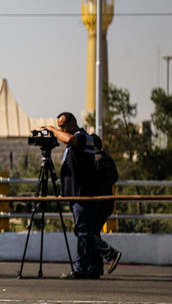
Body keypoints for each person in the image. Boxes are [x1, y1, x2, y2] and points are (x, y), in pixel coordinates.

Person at [44, 112, 98, 279]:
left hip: (82, 194)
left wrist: (52, 129)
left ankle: (82, 268)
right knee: (84, 232)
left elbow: (68, 140)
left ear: (73, 122)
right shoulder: (75, 141)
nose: (61, 129)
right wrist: (64, 193)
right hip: (74, 194)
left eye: (63, 126)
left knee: (83, 232)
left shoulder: (83, 137)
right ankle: (92, 267)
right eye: (59, 126)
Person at [91, 134, 122, 275]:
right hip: (109, 201)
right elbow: (115, 177)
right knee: (94, 232)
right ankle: (97, 266)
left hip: (97, 202)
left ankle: (111, 254)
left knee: (86, 232)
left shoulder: (94, 160)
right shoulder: (108, 159)